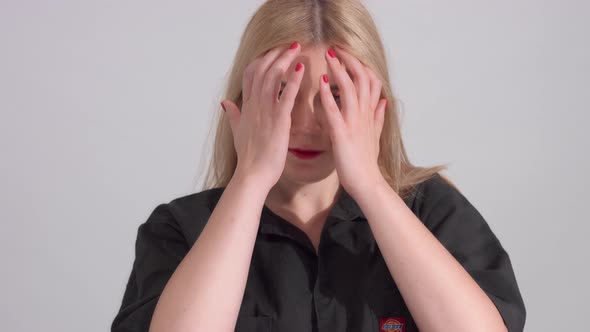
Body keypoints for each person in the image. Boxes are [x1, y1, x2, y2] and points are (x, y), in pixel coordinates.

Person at [111, 1, 526, 331]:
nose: (308, 125)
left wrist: (368, 183)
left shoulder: (433, 211)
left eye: (336, 98)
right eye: (283, 94)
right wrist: (251, 180)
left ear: (374, 104)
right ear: (245, 101)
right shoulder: (181, 229)